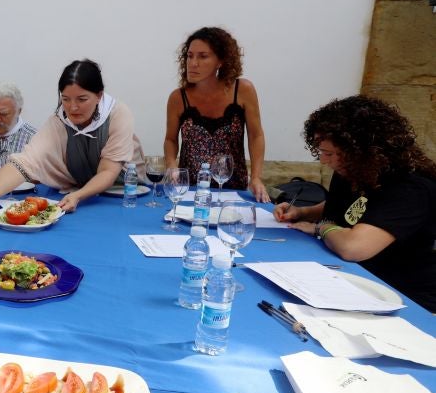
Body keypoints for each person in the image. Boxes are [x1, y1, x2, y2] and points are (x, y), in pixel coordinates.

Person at [274, 96, 436, 311]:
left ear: (362, 150)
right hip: (355, 280)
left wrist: (320, 228)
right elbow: (349, 207)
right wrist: (302, 212)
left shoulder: (410, 188)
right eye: (321, 151)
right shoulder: (353, 170)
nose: (323, 160)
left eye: (329, 153)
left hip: (404, 299)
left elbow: (353, 247)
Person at [0, 59, 145, 216]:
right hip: (81, 197)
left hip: (125, 198)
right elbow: (23, 163)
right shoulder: (59, 121)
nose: (73, 107)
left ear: (99, 96)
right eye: (66, 99)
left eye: (82, 99)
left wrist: (79, 195)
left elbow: (108, 172)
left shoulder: (118, 114)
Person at [163, 27, 270, 202]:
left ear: (220, 61)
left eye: (203, 56)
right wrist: (171, 166)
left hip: (233, 191)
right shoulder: (178, 98)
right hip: (190, 190)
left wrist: (256, 177)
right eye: (190, 56)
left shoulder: (242, 90)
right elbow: (170, 139)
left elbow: (256, 135)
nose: (193, 63)